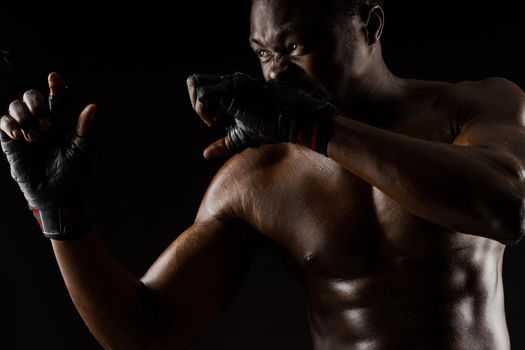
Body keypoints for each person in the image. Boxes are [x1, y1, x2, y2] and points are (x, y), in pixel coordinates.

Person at [1, 0, 524, 349]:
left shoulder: (471, 110)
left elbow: (507, 205)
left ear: (371, 24)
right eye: (263, 55)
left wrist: (318, 128)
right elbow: (145, 330)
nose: (275, 75)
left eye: (295, 48)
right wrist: (61, 216)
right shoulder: (261, 178)